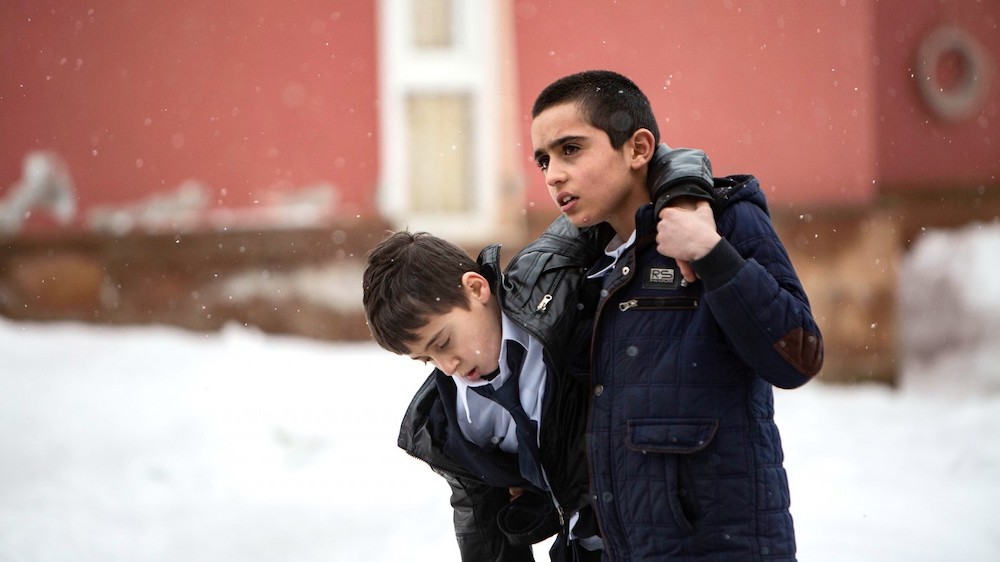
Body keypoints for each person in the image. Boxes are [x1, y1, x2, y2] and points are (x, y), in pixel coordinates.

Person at [362, 148, 713, 561]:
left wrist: (683, 199)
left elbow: (641, 164)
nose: (447, 366)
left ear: (476, 288)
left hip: (674, 526)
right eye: (426, 359)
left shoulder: (550, 275)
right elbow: (482, 531)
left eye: (443, 343)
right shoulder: (455, 420)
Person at [529, 69, 823, 561]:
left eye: (571, 149)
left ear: (638, 148)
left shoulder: (724, 220)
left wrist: (712, 254)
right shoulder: (574, 266)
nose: (553, 174)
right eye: (543, 159)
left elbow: (798, 357)